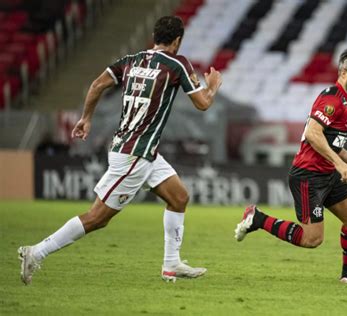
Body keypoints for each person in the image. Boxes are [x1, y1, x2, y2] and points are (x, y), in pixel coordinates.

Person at [18, 16, 222, 285]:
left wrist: (86, 118)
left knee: (179, 198)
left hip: (139, 150)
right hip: (135, 156)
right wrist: (213, 86)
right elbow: (203, 104)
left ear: (154, 36)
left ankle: (172, 263)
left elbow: (97, 84)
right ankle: (36, 252)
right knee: (97, 218)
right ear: (177, 41)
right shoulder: (177, 63)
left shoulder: (132, 60)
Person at [234, 48, 347, 284]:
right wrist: (339, 164)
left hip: (328, 173)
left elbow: (331, 142)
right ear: (343, 74)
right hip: (309, 176)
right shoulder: (331, 99)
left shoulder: (344, 102)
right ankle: (258, 219)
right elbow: (312, 133)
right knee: (312, 239)